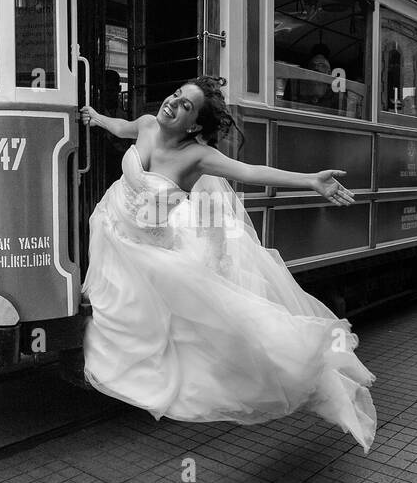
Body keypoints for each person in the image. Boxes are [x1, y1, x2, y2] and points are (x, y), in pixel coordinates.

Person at [80, 77, 376, 453]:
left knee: (193, 323)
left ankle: (291, 362)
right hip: (111, 223)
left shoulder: (198, 157)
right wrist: (96, 117)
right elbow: (120, 128)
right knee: (122, 315)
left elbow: (250, 172)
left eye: (186, 105)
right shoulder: (147, 123)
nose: (172, 103)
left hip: (148, 248)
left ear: (195, 126)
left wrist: (310, 181)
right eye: (175, 94)